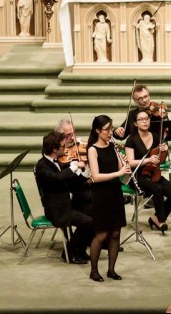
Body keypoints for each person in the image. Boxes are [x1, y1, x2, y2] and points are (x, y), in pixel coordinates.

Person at [34, 131, 94, 265]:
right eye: (62, 146)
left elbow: (69, 180)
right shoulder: (42, 166)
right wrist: (72, 168)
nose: (65, 149)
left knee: (93, 212)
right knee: (88, 222)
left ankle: (80, 250)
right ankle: (70, 251)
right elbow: (57, 178)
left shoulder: (57, 162)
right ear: (55, 149)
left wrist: (83, 173)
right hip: (57, 210)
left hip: (66, 204)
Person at [86, 115, 131, 282]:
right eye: (107, 129)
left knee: (115, 233)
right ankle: (94, 271)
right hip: (101, 195)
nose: (110, 132)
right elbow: (96, 177)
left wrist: (123, 163)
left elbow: (120, 168)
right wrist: (118, 174)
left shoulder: (112, 145)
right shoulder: (92, 149)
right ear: (98, 131)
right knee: (102, 234)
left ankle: (111, 270)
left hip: (115, 193)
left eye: (111, 128)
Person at [125, 110, 171, 234]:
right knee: (157, 189)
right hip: (137, 176)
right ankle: (161, 221)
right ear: (135, 123)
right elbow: (130, 162)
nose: (145, 121)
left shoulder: (156, 136)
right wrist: (147, 160)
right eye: (141, 119)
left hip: (154, 173)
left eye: (147, 118)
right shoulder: (131, 139)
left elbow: (160, 159)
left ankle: (155, 217)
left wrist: (164, 150)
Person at [55, 118, 91, 216]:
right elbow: (70, 180)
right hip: (75, 195)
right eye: (68, 135)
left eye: (74, 133)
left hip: (86, 190)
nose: (72, 137)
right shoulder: (57, 153)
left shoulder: (81, 145)